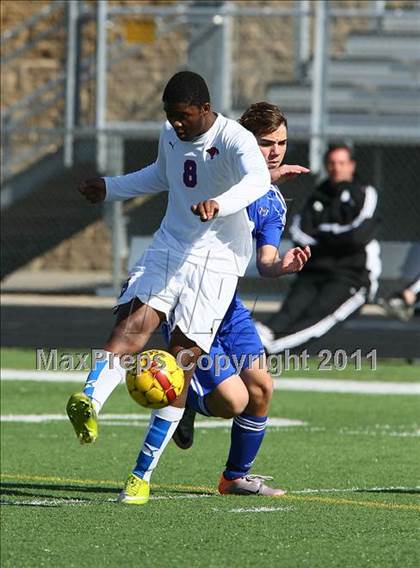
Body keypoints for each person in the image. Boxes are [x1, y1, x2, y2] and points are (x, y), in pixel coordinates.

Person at [66, 71, 272, 504]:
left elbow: (258, 182)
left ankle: (140, 476)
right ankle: (88, 398)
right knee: (130, 328)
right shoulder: (170, 133)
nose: (175, 124)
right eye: (170, 116)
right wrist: (110, 188)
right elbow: (161, 174)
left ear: (204, 108)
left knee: (179, 365)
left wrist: (221, 202)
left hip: (216, 263)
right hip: (170, 245)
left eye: (182, 116)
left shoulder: (235, 139)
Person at [159, 102, 311, 499]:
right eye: (265, 143)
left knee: (260, 388)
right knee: (232, 400)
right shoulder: (215, 180)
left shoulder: (273, 202)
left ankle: (234, 478)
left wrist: (283, 264)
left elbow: (264, 263)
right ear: (244, 141)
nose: (275, 150)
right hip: (191, 297)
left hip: (229, 306)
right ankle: (185, 399)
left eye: (281, 142)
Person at [256, 143, 381, 354]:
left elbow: (359, 235)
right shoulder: (316, 195)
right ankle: (254, 351)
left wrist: (322, 234)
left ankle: (263, 351)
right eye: (332, 163)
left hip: (350, 276)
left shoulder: (364, 193)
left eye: (342, 163)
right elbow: (298, 233)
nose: (336, 168)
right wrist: (336, 237)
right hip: (313, 272)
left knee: (314, 323)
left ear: (351, 165)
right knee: (281, 319)